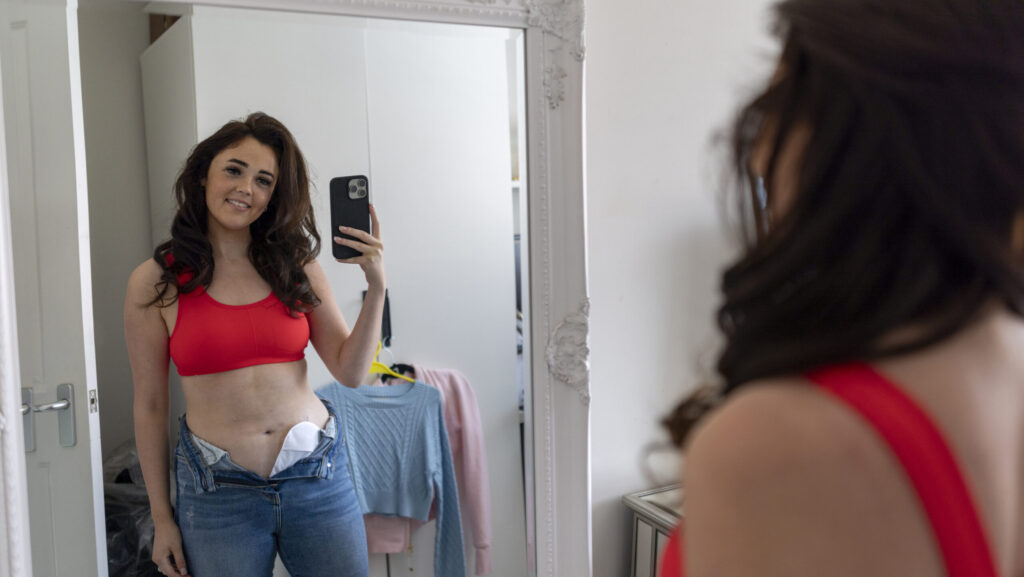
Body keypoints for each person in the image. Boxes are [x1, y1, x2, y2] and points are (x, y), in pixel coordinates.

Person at [661, 1, 1024, 576]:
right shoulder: (1005, 350)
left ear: (851, 139)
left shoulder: (780, 443)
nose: (757, 155)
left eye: (780, 101)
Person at [124, 112, 384, 577]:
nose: (246, 188)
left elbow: (350, 371)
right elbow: (150, 405)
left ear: (272, 197)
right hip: (217, 491)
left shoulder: (296, 266)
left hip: (316, 474)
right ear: (203, 175)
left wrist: (376, 286)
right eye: (234, 169)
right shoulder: (156, 281)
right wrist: (162, 519)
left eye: (264, 180)